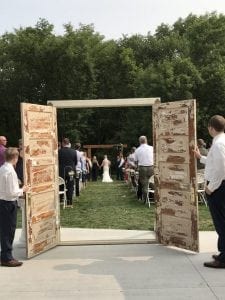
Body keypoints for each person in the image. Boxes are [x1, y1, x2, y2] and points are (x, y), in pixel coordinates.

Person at [194, 115, 225, 268]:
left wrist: (210, 188)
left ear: (211, 128)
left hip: (219, 188)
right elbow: (214, 162)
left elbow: (221, 169)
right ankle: (223, 253)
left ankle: (223, 259)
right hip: (220, 186)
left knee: (221, 224)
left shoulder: (219, 144)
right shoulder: (221, 141)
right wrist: (200, 157)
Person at [0, 147, 28, 267]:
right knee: (8, 231)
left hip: (3, 201)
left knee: (4, 230)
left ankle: (5, 255)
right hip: (8, 203)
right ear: (15, 158)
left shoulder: (2, 168)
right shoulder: (10, 171)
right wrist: (23, 190)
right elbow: (12, 192)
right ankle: (7, 258)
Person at [58, 138, 77, 207]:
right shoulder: (74, 151)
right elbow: (75, 162)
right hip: (71, 171)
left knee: (61, 184)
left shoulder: (59, 151)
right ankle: (69, 202)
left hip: (61, 171)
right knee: (70, 185)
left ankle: (60, 200)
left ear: (63, 143)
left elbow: (58, 162)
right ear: (69, 143)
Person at [134, 136, 154, 203]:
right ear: (146, 140)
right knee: (153, 182)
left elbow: (136, 162)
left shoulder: (137, 150)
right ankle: (154, 198)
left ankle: (146, 200)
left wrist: (136, 168)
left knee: (145, 184)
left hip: (142, 168)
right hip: (152, 167)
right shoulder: (152, 148)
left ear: (140, 141)